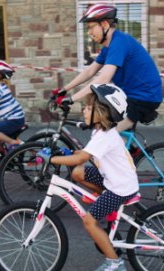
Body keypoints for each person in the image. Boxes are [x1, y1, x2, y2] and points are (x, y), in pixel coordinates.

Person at [38, 84, 138, 271]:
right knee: (77, 172)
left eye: (89, 107)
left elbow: (81, 157)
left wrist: (52, 158)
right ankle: (103, 198)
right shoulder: (100, 131)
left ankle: (115, 263)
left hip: (120, 187)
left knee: (89, 221)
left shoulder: (105, 136)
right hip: (112, 179)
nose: (84, 110)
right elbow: (84, 153)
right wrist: (64, 151)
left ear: (101, 112)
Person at [54, 3, 162, 132]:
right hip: (131, 95)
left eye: (91, 27)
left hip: (144, 97)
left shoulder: (119, 42)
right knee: (105, 130)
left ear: (104, 24)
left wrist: (72, 99)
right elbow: (90, 71)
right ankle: (128, 151)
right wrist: (64, 90)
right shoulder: (108, 47)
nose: (89, 33)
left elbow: (103, 79)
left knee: (106, 134)